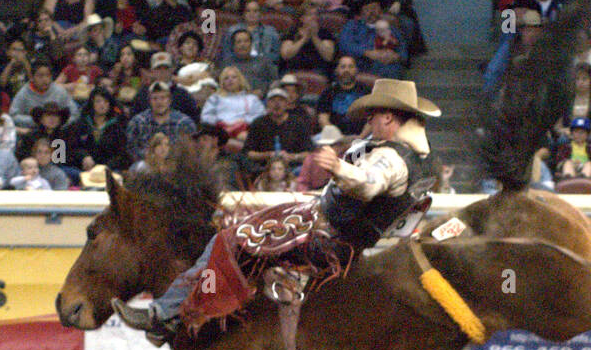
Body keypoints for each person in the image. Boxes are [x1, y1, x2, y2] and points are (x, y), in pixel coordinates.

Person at [112, 77, 441, 334]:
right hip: (322, 229)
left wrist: (339, 169)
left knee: (227, 240)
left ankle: (165, 315)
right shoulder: (385, 150)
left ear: (388, 116)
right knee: (233, 240)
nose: (368, 118)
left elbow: (369, 186)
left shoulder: (391, 159)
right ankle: (182, 315)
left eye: (374, 112)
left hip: (328, 240)